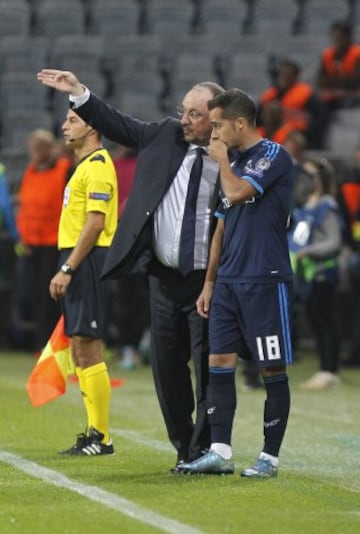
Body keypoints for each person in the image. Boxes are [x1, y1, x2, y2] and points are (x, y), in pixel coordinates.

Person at [37, 68, 224, 472]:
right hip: (162, 275)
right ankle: (184, 448)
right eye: (184, 111)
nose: (185, 120)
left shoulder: (230, 156)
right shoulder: (162, 135)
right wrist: (79, 94)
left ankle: (206, 448)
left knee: (209, 366)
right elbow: (116, 123)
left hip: (205, 280)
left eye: (195, 114)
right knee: (165, 366)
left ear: (217, 118)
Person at [178, 89, 294, 478]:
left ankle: (269, 458)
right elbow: (220, 229)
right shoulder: (236, 161)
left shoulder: (273, 156)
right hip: (228, 281)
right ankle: (220, 451)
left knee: (271, 368)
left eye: (217, 125)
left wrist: (223, 160)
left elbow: (237, 192)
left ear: (240, 123)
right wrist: (209, 283)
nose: (213, 133)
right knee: (218, 363)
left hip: (265, 279)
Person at [50, 108, 118, 455]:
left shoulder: (97, 166)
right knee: (80, 343)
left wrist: (69, 268)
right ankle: (95, 432)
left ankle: (102, 437)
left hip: (88, 260)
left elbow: (95, 223)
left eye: (72, 120)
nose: (64, 125)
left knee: (88, 343)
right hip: (79, 259)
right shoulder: (84, 167)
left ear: (92, 126)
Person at [15, 129, 72, 352]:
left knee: (50, 295)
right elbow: (25, 207)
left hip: (54, 242)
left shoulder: (64, 169)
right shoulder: (31, 171)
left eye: (41, 147)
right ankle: (40, 342)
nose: (36, 152)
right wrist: (23, 236)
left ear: (50, 148)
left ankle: (52, 344)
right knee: (32, 294)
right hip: (31, 243)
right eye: (34, 147)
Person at [288, 159, 343, 390]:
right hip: (307, 272)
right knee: (316, 317)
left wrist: (308, 251)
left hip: (322, 271)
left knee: (323, 319)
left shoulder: (327, 205)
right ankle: (326, 369)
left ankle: (328, 370)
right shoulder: (307, 202)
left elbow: (334, 242)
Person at [258, 59, 327, 149]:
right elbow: (257, 118)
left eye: (287, 75)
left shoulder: (306, 93)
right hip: (272, 132)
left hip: (297, 134)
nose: (284, 78)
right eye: (282, 75)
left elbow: (320, 117)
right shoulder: (270, 95)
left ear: (295, 76)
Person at [317, 20, 360, 111]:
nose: (337, 40)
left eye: (341, 37)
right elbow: (321, 80)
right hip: (333, 94)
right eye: (335, 37)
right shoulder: (327, 55)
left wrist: (335, 83)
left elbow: (355, 80)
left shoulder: (357, 54)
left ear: (349, 37)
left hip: (355, 95)